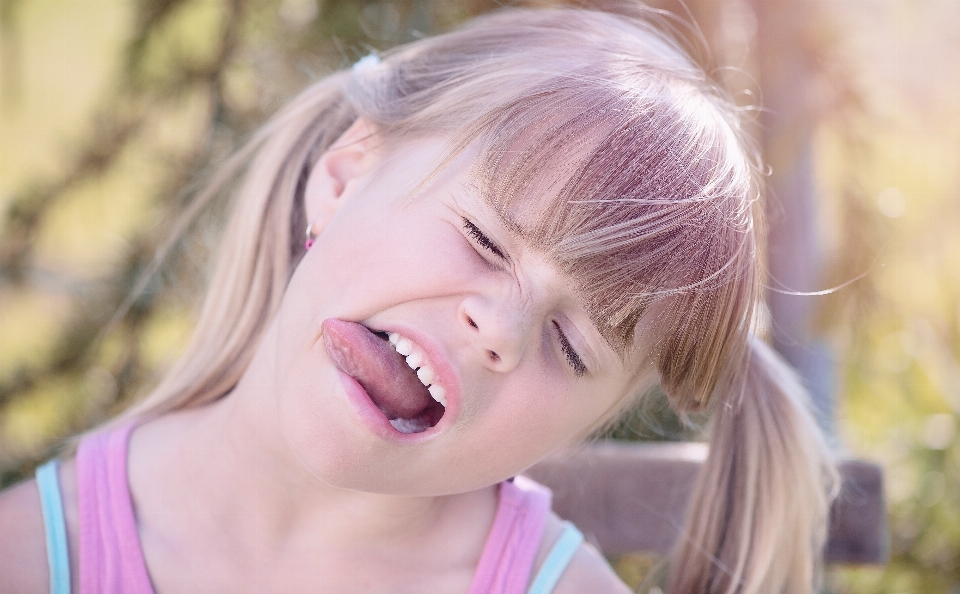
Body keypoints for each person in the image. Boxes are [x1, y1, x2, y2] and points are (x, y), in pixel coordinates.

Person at [0, 5, 837, 594]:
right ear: (343, 174)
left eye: (573, 346)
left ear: (592, 423)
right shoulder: (34, 556)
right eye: (483, 238)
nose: (499, 328)